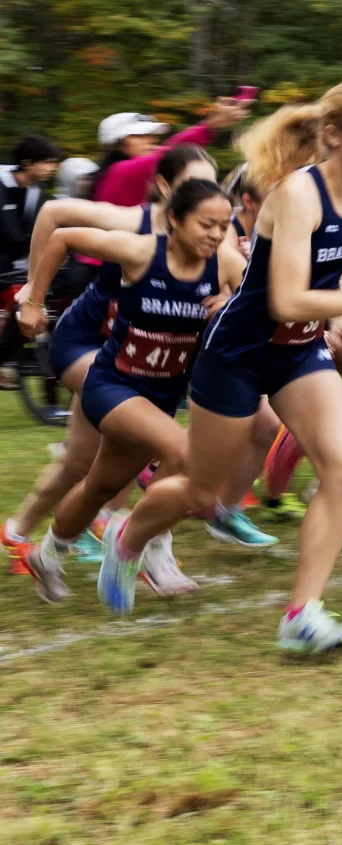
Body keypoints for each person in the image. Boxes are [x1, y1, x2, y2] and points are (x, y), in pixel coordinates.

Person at [95, 81, 342, 654]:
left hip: (300, 353)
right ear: (334, 137)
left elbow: (324, 258)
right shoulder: (298, 194)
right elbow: (289, 300)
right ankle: (128, 537)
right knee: (202, 491)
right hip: (239, 353)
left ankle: (302, 614)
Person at [22, 179, 244, 603]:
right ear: (174, 219)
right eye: (206, 224)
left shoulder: (226, 264)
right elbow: (62, 236)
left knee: (99, 489)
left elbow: (259, 305)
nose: (216, 234)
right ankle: (139, 543)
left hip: (161, 395)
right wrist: (33, 299)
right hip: (112, 384)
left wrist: (231, 305)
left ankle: (48, 554)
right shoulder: (141, 251)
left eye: (224, 225)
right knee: (182, 452)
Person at [91, 99, 252, 208]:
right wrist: (210, 126)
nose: (151, 140)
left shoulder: (128, 174)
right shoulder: (120, 171)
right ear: (118, 144)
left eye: (152, 135)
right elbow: (168, 153)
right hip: (103, 258)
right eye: (140, 135)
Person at [2, 133, 61, 273]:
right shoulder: (2, 186)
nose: (52, 167)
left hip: (11, 267)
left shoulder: (36, 189)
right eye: (46, 162)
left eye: (54, 162)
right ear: (26, 163)